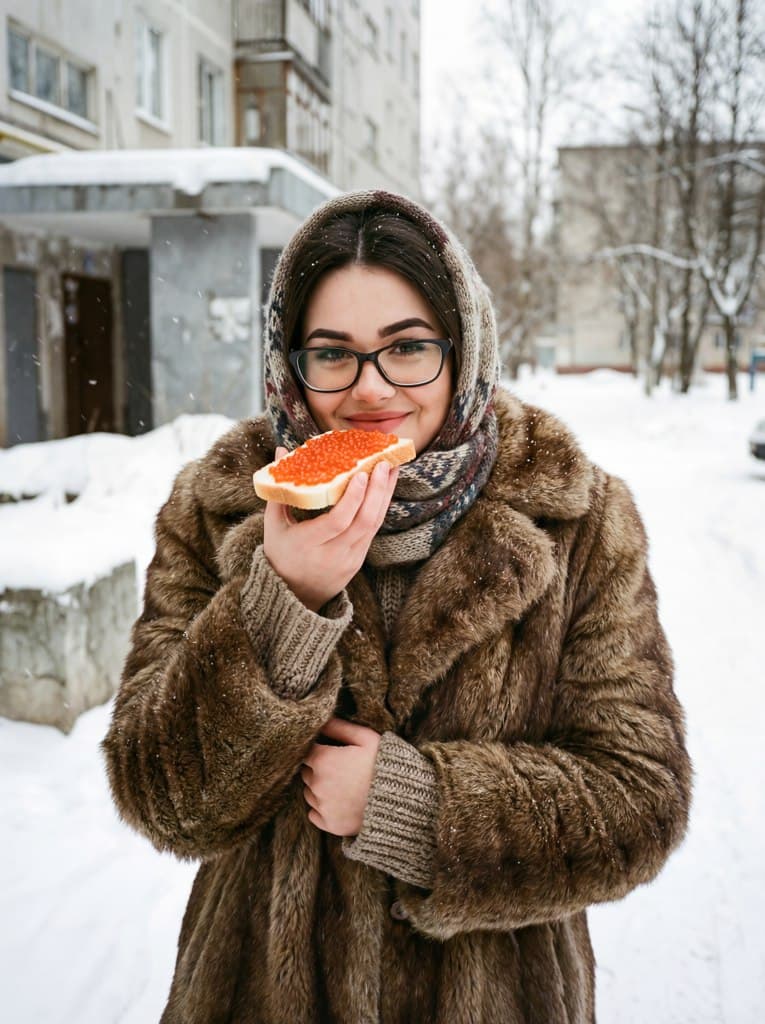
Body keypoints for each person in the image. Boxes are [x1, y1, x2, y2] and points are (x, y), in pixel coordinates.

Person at [102, 190, 692, 1024]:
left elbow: (641, 800)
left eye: (407, 347)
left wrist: (415, 807)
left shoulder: (579, 520)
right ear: (287, 361)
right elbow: (160, 795)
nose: (371, 390)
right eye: (332, 353)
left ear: (465, 347)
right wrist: (283, 602)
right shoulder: (220, 506)